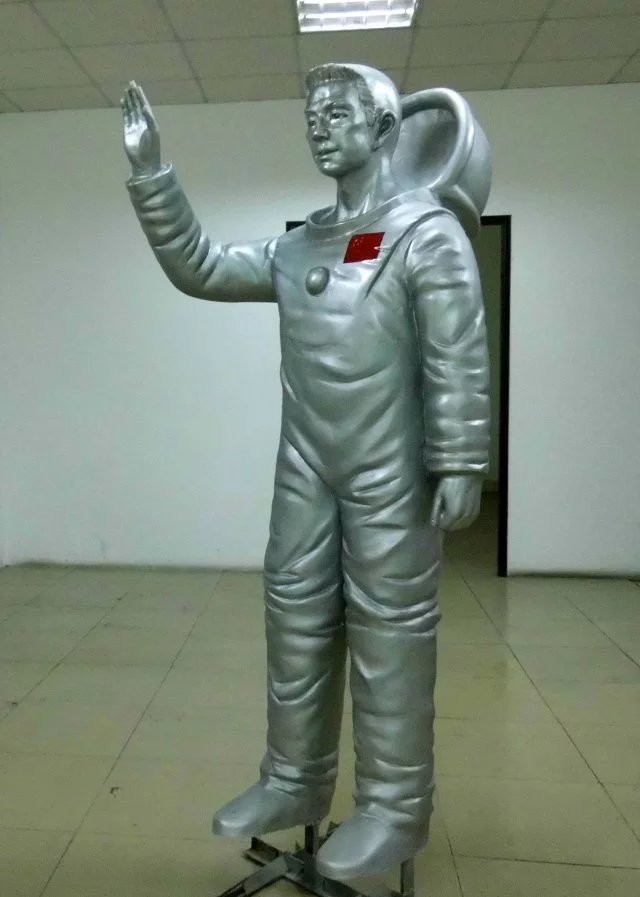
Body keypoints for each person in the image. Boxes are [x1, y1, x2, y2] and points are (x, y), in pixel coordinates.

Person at [121, 63, 490, 881]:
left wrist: (461, 457)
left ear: (386, 127)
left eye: (337, 111)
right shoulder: (298, 246)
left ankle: (394, 805)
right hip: (307, 464)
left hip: (390, 470)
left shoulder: (426, 234)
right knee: (293, 617)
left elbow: (458, 352)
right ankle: (292, 778)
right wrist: (152, 176)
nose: (318, 124)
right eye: (311, 113)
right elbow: (202, 266)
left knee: (390, 634)